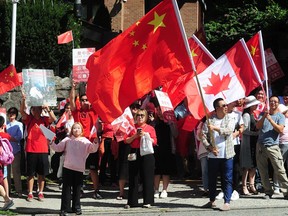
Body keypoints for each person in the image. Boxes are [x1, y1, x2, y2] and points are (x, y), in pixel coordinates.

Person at [50, 122, 99, 216]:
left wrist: (96, 142)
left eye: (78, 128)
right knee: (66, 189)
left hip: (79, 168)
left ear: (82, 130)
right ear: (71, 130)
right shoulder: (67, 139)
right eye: (74, 128)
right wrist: (51, 143)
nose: (76, 130)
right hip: (68, 167)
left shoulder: (85, 140)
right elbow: (58, 148)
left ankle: (76, 208)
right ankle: (64, 209)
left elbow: (92, 149)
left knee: (77, 189)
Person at [20, 95, 57, 202]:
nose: (37, 110)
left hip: (43, 150)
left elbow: (54, 119)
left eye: (39, 108)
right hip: (31, 149)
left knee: (42, 173)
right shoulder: (29, 119)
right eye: (35, 108)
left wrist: (48, 108)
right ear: (32, 110)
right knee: (30, 173)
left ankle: (40, 192)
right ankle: (30, 192)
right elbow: (22, 111)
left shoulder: (45, 119)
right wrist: (23, 99)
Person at [201, 98, 235, 211]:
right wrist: (210, 148)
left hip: (227, 155)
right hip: (213, 155)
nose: (226, 107)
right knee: (212, 179)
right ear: (217, 108)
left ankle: (227, 202)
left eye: (226, 104)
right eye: (223, 105)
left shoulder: (230, 118)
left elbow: (229, 130)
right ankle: (212, 200)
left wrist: (215, 128)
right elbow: (203, 136)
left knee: (227, 179)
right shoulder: (209, 120)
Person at [70, 82, 101, 199]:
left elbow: (97, 99)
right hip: (78, 144)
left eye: (87, 100)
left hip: (91, 143)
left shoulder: (93, 111)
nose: (85, 102)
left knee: (93, 169)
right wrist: (73, 87)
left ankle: (96, 190)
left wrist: (91, 87)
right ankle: (79, 190)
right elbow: (72, 101)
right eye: (82, 100)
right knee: (79, 169)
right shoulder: (76, 111)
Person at [256, 95, 288, 199]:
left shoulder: (280, 116)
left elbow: (280, 129)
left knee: (279, 169)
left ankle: (286, 191)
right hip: (261, 145)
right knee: (262, 170)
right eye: (271, 101)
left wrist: (270, 120)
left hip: (273, 146)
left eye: (275, 101)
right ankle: (268, 191)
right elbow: (257, 126)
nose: (273, 103)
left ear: (278, 104)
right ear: (268, 103)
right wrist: (265, 117)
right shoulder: (263, 114)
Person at [124, 109, 157, 209]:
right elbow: (126, 140)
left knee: (148, 177)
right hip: (134, 151)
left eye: (142, 115)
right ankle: (132, 201)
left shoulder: (150, 128)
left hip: (146, 152)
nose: (140, 117)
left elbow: (154, 141)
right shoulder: (131, 128)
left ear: (146, 117)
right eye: (138, 115)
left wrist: (145, 135)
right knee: (133, 176)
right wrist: (135, 135)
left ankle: (148, 201)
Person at [153, 106, 178, 199]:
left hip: (168, 148)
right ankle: (156, 189)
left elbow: (175, 134)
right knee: (156, 171)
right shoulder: (154, 122)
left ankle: (164, 190)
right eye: (158, 110)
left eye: (161, 110)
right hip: (156, 149)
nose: (159, 112)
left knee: (166, 171)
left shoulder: (170, 122)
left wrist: (171, 124)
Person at [240, 96, 260, 195]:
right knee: (247, 166)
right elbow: (245, 130)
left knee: (253, 165)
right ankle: (244, 185)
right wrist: (256, 134)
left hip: (253, 142)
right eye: (255, 104)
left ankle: (251, 185)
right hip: (248, 143)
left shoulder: (252, 114)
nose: (257, 105)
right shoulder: (246, 115)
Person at [6, 107, 24, 197]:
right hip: (6, 151)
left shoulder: (19, 124)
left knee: (16, 171)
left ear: (16, 114)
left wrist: (9, 137)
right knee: (7, 172)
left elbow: (19, 137)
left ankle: (18, 190)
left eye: (13, 113)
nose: (11, 115)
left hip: (16, 151)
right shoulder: (6, 124)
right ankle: (7, 190)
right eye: (10, 113)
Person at [272, 104, 288, 193]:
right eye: (284, 112)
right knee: (279, 165)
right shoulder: (279, 119)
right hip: (281, 143)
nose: (286, 113)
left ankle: (285, 185)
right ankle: (276, 186)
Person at [0, 116, 14, 210]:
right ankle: (7, 199)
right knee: (3, 179)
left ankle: (7, 199)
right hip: (2, 163)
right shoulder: (3, 134)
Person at [195, 118, 209, 197]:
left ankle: (212, 188)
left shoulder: (215, 120)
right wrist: (200, 133)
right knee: (204, 171)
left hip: (214, 151)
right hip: (204, 150)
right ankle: (206, 189)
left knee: (213, 171)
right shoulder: (201, 124)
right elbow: (198, 137)